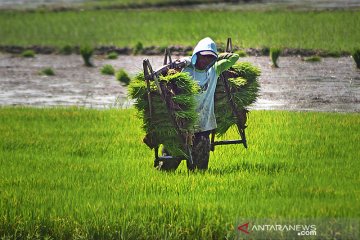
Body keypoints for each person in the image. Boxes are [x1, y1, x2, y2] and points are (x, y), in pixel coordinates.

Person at [158, 37, 239, 171]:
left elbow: (234, 57)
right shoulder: (183, 70)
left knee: (199, 170)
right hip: (181, 124)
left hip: (203, 124)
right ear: (197, 55)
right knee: (168, 167)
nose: (206, 61)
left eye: (210, 58)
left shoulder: (215, 70)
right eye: (203, 56)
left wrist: (218, 57)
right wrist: (187, 61)